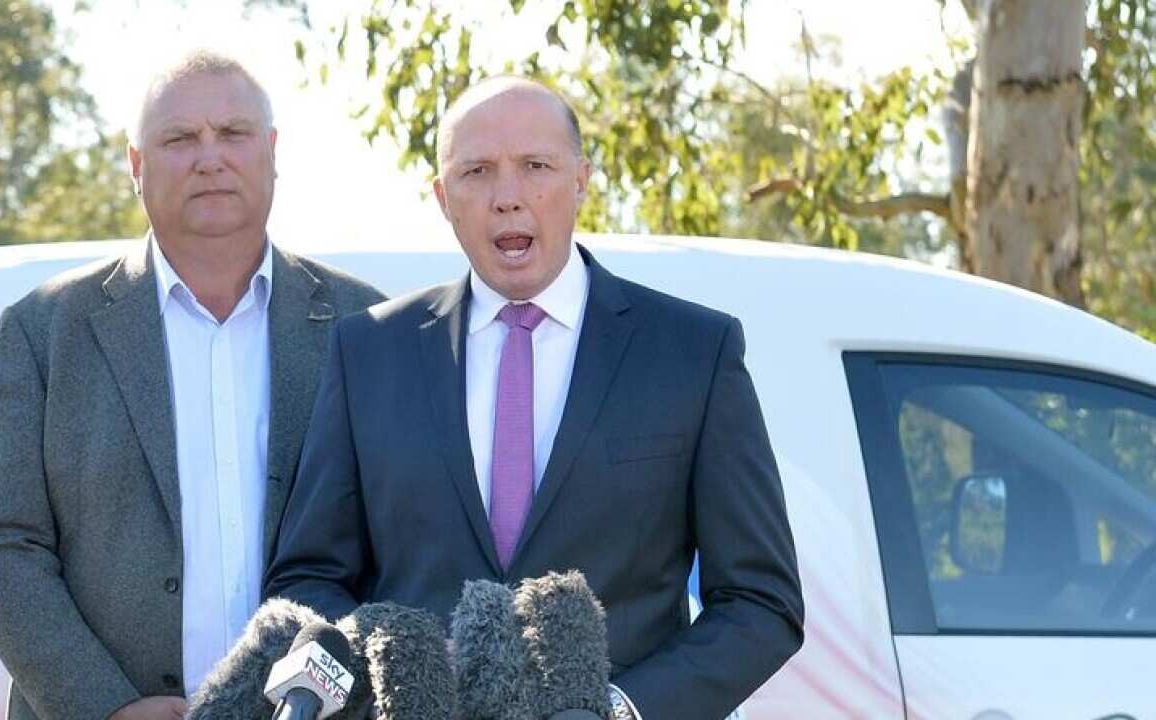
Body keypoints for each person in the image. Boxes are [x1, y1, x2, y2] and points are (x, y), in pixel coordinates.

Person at [264, 76, 803, 719]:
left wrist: (622, 710)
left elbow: (760, 602)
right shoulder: (371, 352)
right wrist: (389, 686)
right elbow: (308, 579)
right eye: (477, 172)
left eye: (536, 167)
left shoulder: (694, 352)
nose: (508, 197)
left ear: (581, 179)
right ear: (443, 197)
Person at [0, 50, 384, 720]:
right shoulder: (43, 331)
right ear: (137, 166)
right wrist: (109, 707)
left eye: (233, 134)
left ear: (272, 152)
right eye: (180, 139)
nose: (209, 158)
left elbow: (404, 542)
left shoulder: (367, 325)